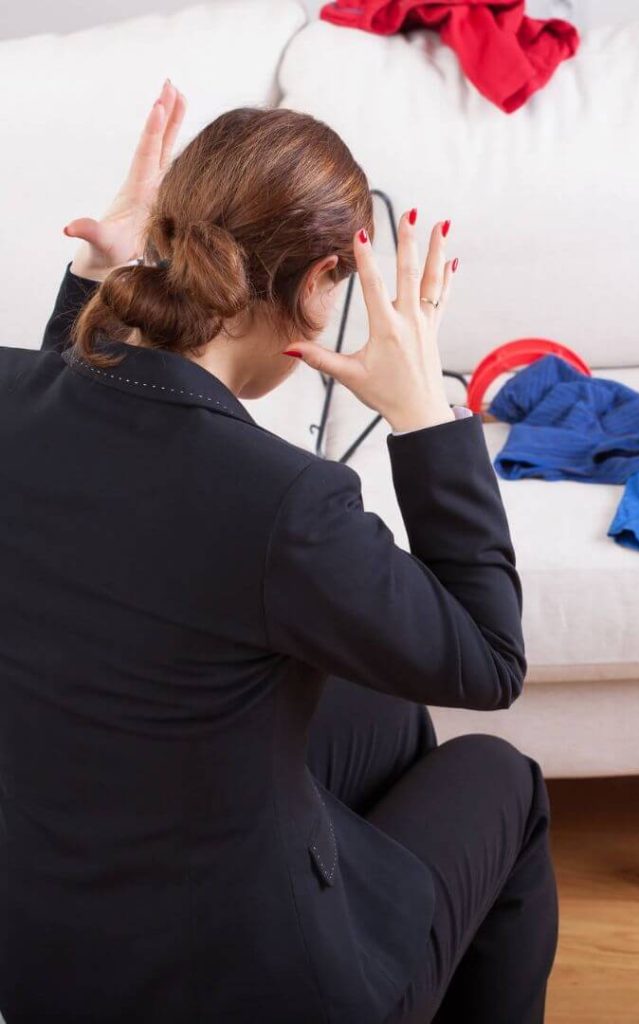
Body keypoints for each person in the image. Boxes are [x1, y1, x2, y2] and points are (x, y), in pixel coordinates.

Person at [0, 82, 557, 1024]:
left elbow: (58, 412)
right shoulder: (285, 504)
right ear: (313, 287)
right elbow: (491, 661)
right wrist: (424, 411)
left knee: (384, 712)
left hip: (42, 957)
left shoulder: (9, 394)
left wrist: (99, 285)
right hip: (249, 989)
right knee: (502, 780)